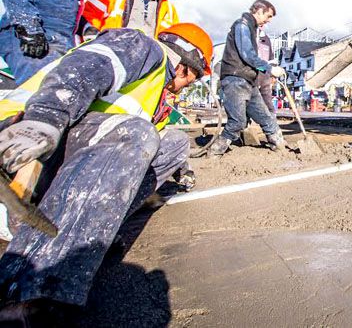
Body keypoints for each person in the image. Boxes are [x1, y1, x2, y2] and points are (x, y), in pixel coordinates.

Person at [0, 22, 213, 322]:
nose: (188, 86)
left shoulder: (156, 97)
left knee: (173, 143)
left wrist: (182, 169)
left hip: (62, 158)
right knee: (139, 134)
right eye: (194, 78)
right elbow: (85, 68)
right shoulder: (143, 47)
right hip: (20, 142)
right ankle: (28, 294)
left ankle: (89, 228)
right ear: (186, 68)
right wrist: (43, 120)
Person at [209, 0, 286, 157]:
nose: (269, 20)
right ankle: (215, 151)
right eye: (268, 16)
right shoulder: (242, 25)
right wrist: (270, 69)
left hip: (248, 82)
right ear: (259, 11)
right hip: (235, 79)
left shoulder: (251, 28)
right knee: (237, 122)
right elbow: (247, 55)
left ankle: (280, 147)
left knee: (266, 118)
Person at [255, 25, 275, 113]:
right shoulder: (246, 34)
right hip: (249, 73)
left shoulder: (266, 38)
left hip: (264, 73)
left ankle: (271, 116)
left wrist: (273, 73)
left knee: (267, 98)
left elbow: (271, 58)